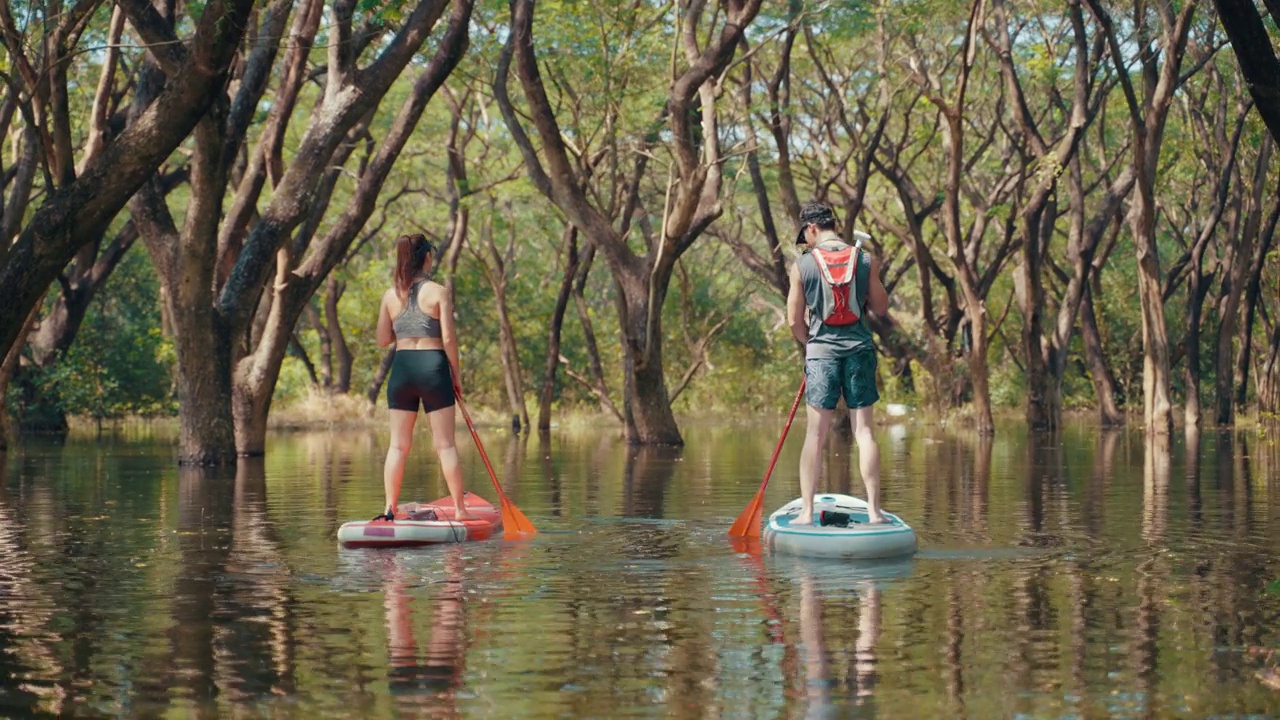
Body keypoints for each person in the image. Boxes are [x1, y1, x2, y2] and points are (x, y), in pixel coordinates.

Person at [786, 201, 889, 525]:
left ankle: (805, 512)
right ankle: (874, 512)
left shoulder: (803, 265)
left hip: (821, 353)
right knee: (864, 432)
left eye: (806, 234)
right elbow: (881, 308)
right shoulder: (864, 259)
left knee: (815, 435)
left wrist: (811, 345)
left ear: (812, 228)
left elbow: (793, 320)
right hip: (859, 348)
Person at [374, 233, 473, 521]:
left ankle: (389, 508)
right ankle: (459, 509)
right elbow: (449, 339)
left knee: (397, 445)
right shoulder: (439, 291)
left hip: (402, 368)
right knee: (445, 445)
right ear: (427, 257)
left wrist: (403, 325)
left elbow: (382, 340)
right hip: (433, 366)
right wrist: (455, 376)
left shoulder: (391, 295)